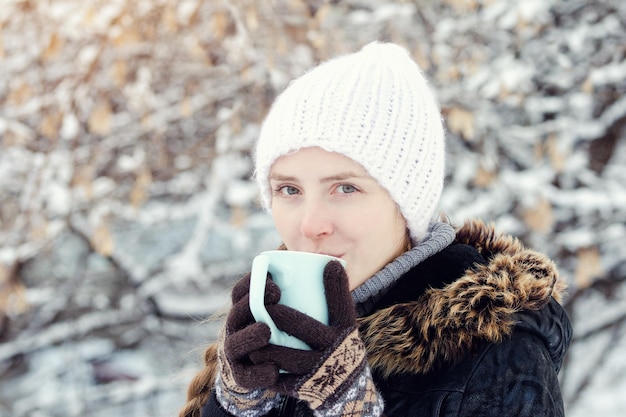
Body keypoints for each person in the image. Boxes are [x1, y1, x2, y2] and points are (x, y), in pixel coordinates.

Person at [179, 42, 572, 417]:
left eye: (345, 188)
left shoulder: (499, 359)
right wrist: (232, 409)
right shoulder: (265, 327)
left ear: (405, 204)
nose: (311, 224)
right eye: (289, 189)